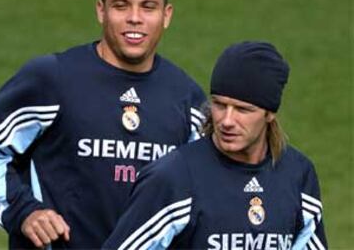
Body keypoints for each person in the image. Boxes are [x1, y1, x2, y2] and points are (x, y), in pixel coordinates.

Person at [0, 0, 206, 248]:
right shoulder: (54, 79)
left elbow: (206, 190)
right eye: (121, 6)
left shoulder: (186, 99)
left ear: (166, 15)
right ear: (101, 11)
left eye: (148, 7)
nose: (134, 18)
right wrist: (23, 212)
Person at [103, 41, 327, 250]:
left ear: (269, 114)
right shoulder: (174, 177)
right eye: (219, 105)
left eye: (242, 109)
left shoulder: (298, 175)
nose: (227, 121)